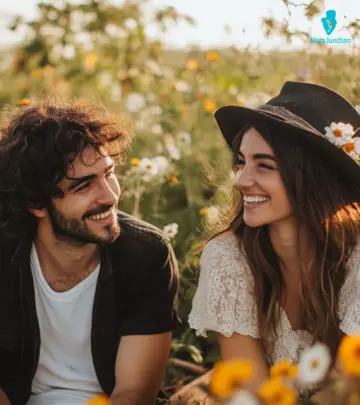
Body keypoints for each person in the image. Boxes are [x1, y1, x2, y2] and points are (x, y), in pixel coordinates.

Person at [0, 99, 179, 405]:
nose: (110, 196)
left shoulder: (146, 256)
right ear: (36, 204)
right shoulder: (5, 252)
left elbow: (135, 394)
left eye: (108, 174)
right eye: (84, 187)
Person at [188, 81, 360, 389]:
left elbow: (346, 389)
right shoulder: (228, 258)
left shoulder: (356, 257)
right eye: (240, 162)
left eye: (264, 166)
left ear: (311, 177)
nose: (241, 181)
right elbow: (253, 391)